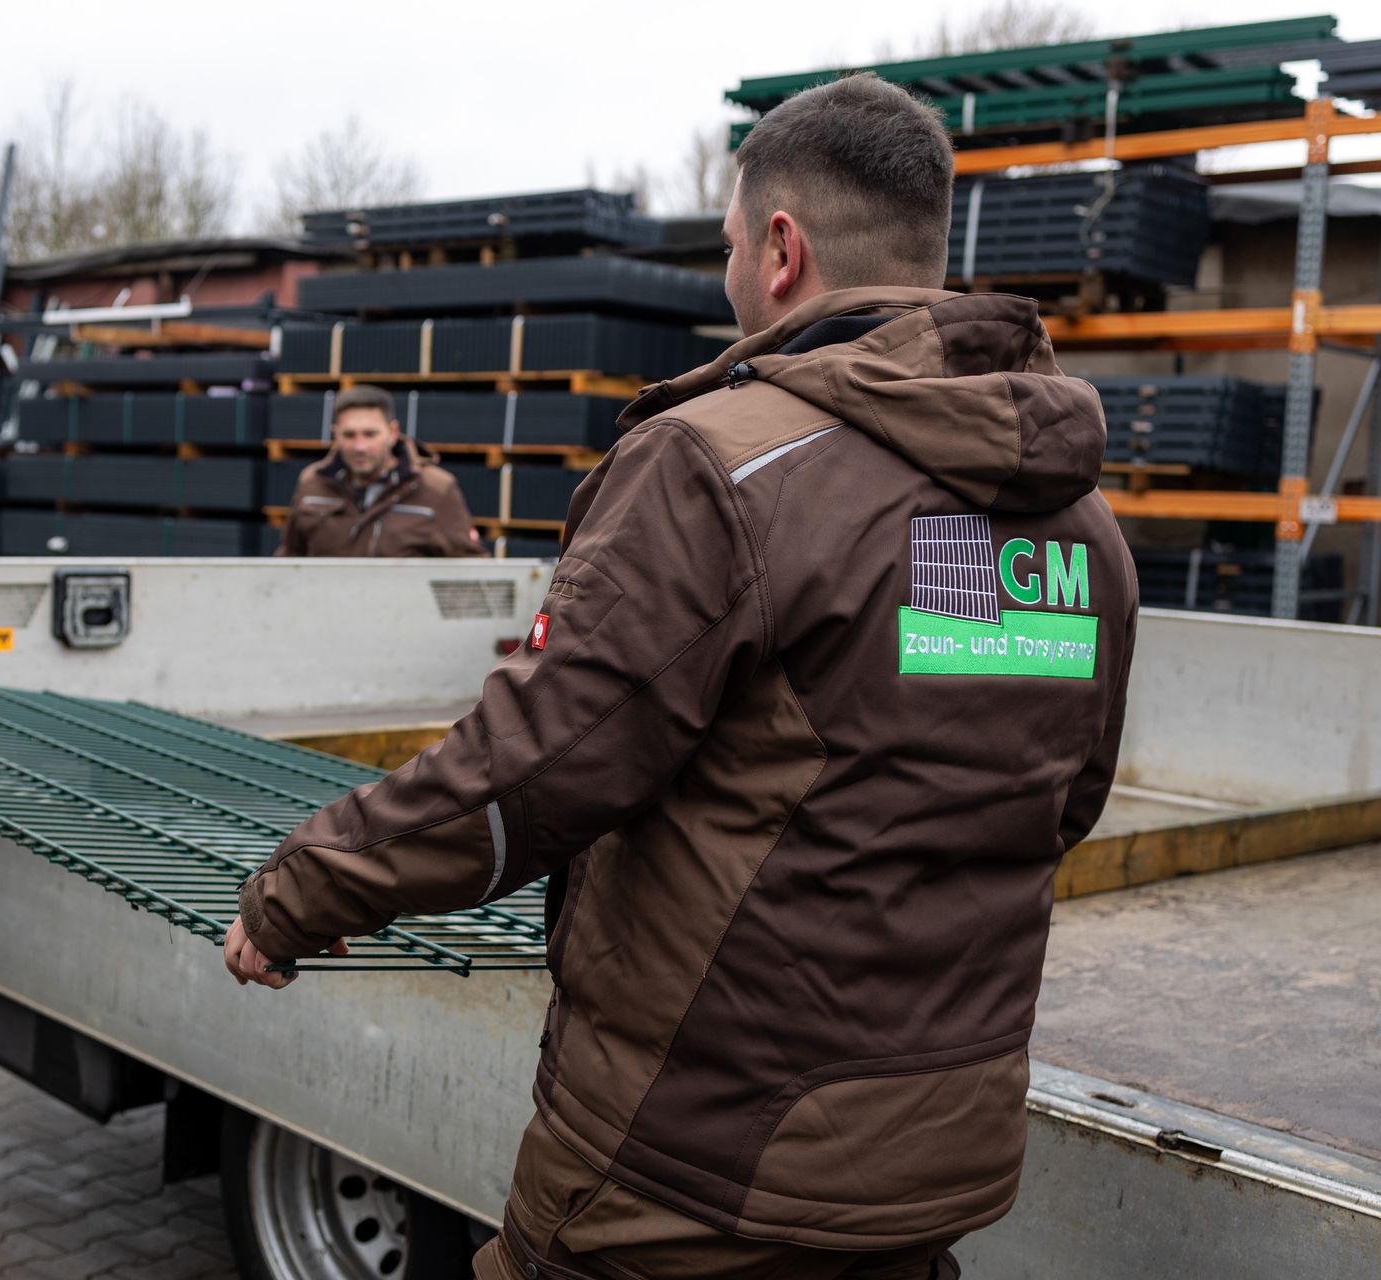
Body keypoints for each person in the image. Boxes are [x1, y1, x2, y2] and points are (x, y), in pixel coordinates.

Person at [227, 73, 1138, 1280]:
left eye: (726, 246)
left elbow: (537, 767)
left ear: (781, 249)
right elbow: (1064, 802)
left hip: (695, 1166)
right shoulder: (1082, 525)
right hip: (934, 1158)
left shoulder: (724, 466)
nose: (728, 274)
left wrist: (304, 886)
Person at [276, 385, 487, 557]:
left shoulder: (436, 489)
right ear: (335, 434)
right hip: (327, 598)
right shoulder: (312, 483)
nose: (360, 446)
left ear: (393, 432)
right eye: (349, 435)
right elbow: (289, 560)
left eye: (370, 434)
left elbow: (469, 568)